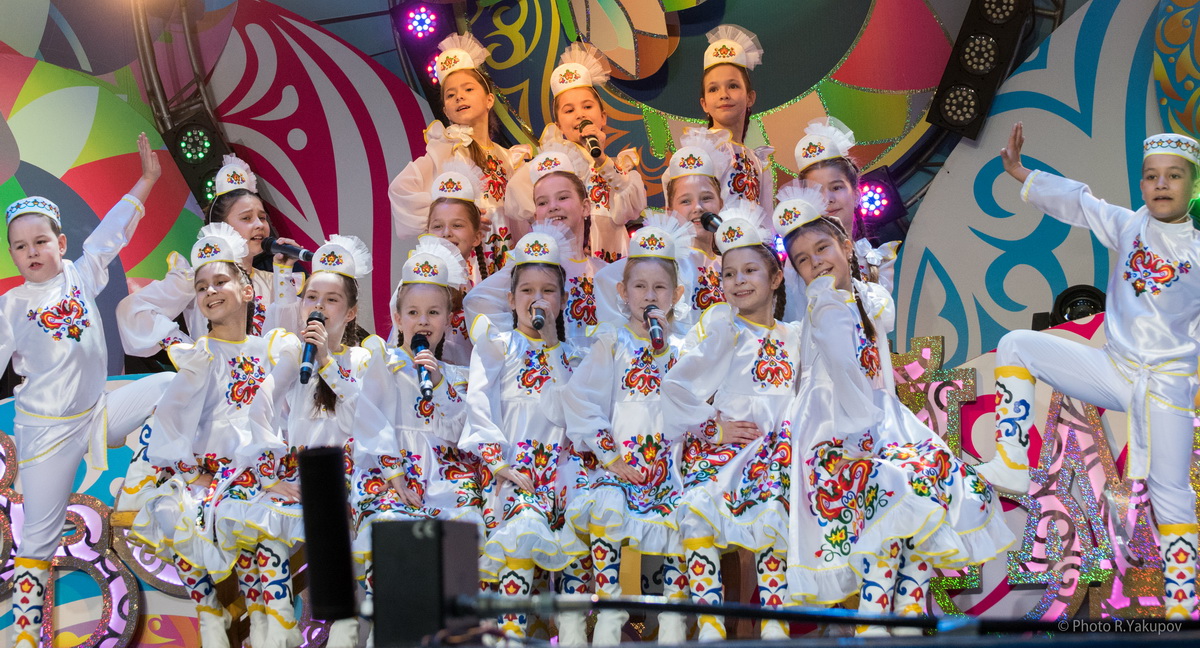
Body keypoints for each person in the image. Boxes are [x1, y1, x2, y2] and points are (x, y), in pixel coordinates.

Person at [975, 123, 1200, 619]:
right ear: (1141, 184)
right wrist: (1019, 173)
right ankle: (1011, 461)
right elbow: (1078, 201)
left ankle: (1184, 605)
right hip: (1114, 368)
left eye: (1175, 175)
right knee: (1016, 345)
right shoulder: (1128, 225)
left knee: (1170, 495)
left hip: (1167, 387)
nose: (1161, 184)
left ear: (1194, 185)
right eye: (1152, 176)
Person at [775, 184, 1012, 636]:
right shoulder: (823, 307)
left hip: (880, 416)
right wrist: (859, 427)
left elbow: (875, 353)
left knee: (931, 484)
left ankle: (906, 609)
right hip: (833, 423)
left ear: (846, 246)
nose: (816, 262)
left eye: (822, 248)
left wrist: (883, 420)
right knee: (891, 493)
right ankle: (875, 614)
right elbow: (841, 365)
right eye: (803, 259)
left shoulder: (866, 298)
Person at [2, 133, 172, 648]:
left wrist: (147, 181)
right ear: (12, 254)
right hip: (45, 435)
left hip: (98, 413)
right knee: (38, 541)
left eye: (40, 242)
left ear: (60, 243)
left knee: (170, 383)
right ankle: (27, 639)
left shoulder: (81, 274)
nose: (31, 252)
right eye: (20, 246)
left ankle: (147, 484)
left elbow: (111, 233)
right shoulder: (11, 306)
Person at [129, 224, 299, 648]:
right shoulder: (199, 355)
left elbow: (280, 416)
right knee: (177, 512)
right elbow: (172, 421)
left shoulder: (269, 349)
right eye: (202, 287)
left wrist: (270, 473)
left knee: (266, 525)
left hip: (262, 472)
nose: (211, 291)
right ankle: (209, 611)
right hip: (211, 473)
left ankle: (269, 619)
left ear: (247, 290)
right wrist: (193, 474)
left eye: (221, 281)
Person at [660, 202, 800, 641]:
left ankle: (775, 622)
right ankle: (710, 623)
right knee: (696, 510)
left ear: (776, 277)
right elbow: (676, 385)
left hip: (780, 451)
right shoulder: (726, 330)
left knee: (774, 512)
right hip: (728, 450)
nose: (738, 281)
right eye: (729, 274)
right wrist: (712, 428)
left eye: (750, 271)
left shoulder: (796, 337)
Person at [561, 215, 694, 645]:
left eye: (660, 288)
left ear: (676, 295)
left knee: (676, 529)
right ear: (623, 292)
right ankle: (609, 617)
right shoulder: (612, 341)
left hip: (670, 465)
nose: (649, 296)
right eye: (640, 286)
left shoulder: (685, 348)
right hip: (622, 463)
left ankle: (670, 623)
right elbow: (580, 398)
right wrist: (609, 455)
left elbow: (698, 403)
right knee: (607, 515)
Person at [349, 236, 478, 645]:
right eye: (413, 313)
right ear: (398, 317)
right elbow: (368, 421)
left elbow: (460, 433)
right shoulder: (380, 363)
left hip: (442, 479)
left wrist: (438, 384)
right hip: (391, 476)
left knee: (450, 560)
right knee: (392, 555)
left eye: (434, 312)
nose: (423, 321)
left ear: (448, 320)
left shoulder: (456, 376)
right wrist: (393, 473)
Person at [463, 226, 590, 642]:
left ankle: (572, 636)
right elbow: (479, 405)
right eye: (527, 290)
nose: (537, 299)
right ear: (511, 298)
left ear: (562, 300)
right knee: (518, 550)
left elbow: (575, 413)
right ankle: (512, 635)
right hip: (515, 470)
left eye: (548, 291)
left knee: (573, 558)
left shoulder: (575, 355)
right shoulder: (497, 345)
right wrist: (497, 463)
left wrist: (553, 346)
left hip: (565, 474)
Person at [250, 234, 376, 647]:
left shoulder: (363, 358)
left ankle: (343, 630)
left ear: (351, 312)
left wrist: (326, 362)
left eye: (331, 300)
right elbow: (261, 406)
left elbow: (364, 421)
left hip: (350, 478)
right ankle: (279, 628)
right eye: (311, 298)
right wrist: (268, 473)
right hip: (303, 476)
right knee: (261, 531)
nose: (318, 307)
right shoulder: (289, 350)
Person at [117, 155, 300, 352]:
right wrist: (187, 351)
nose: (259, 225)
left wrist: (283, 274)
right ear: (221, 226)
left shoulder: (273, 282)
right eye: (246, 218)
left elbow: (290, 343)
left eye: (262, 218)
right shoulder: (197, 278)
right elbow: (133, 310)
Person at [390, 32, 530, 274]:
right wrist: (452, 217)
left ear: (489, 99)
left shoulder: (509, 157)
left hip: (507, 257)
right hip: (469, 260)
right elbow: (400, 190)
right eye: (451, 95)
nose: (459, 97)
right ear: (445, 110)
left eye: (468, 89)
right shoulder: (446, 150)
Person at [507, 42, 646, 261]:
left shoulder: (617, 167)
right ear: (559, 125)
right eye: (569, 110)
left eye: (587, 107)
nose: (580, 114)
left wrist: (601, 159)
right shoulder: (548, 166)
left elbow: (630, 209)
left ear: (603, 117)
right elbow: (517, 192)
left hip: (612, 256)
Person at [698, 25, 773, 213]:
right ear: (704, 104)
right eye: (713, 89)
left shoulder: (757, 161)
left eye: (733, 86)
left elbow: (766, 220)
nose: (723, 95)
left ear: (750, 97)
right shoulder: (699, 152)